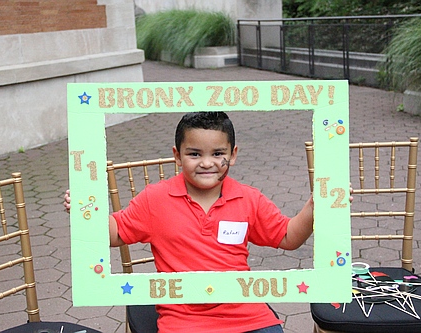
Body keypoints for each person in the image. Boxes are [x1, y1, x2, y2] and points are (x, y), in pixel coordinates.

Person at [64, 111, 316, 333]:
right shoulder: (156, 199)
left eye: (218, 153)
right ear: (177, 155)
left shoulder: (249, 198)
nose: (207, 163)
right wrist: (86, 212)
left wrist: (316, 207)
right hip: (183, 320)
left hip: (247, 315)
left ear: (233, 154)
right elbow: (115, 233)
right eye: (194, 154)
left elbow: (287, 236)